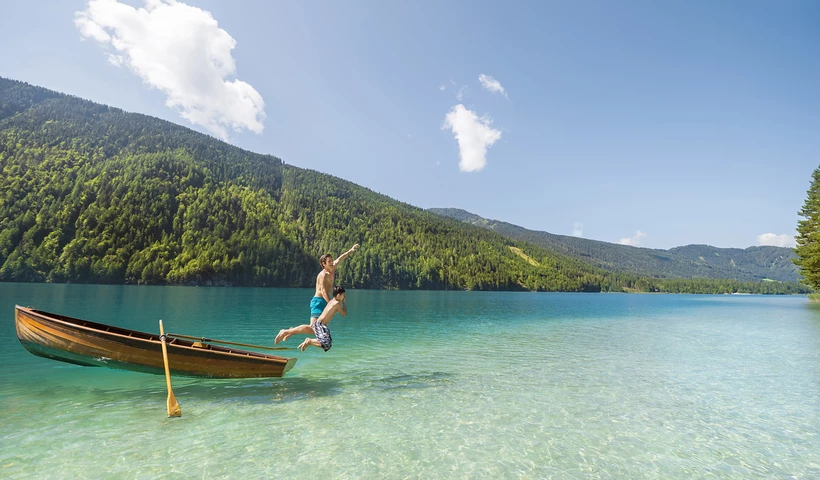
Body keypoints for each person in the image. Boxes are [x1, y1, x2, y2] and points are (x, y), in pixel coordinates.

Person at [275, 244, 358, 345]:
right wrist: (330, 303)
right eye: (329, 262)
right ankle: (286, 332)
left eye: (332, 261)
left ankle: (291, 331)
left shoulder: (332, 268)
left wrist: (351, 250)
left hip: (324, 301)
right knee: (313, 328)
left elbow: (341, 258)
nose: (332, 263)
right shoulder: (322, 275)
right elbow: (323, 291)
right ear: (323, 264)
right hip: (318, 301)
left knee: (314, 328)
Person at [275, 286, 347, 352]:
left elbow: (332, 312)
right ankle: (309, 341)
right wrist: (344, 303)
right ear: (338, 295)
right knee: (326, 342)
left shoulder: (331, 301)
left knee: (328, 344)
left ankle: (305, 339)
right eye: (343, 295)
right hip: (320, 324)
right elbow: (344, 314)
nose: (344, 297)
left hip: (321, 325)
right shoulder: (336, 304)